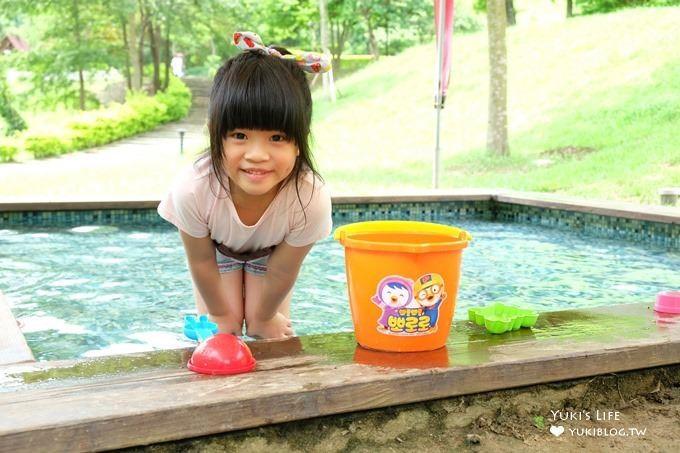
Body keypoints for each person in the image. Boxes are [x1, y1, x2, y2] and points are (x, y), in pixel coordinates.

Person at [158, 32, 333, 340]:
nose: (257, 155)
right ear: (215, 134)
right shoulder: (193, 189)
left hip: (272, 255)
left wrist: (265, 317)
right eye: (239, 135)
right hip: (218, 253)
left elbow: (282, 271)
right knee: (221, 331)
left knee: (268, 332)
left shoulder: (309, 197)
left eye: (276, 138)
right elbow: (201, 261)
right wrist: (221, 314)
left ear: (299, 141)